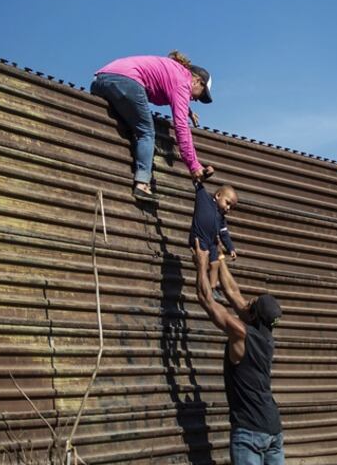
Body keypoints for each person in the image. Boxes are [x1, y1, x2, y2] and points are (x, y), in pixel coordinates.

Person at [191, 241, 326, 465]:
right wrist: (220, 259)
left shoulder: (240, 333)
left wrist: (200, 262)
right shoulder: (264, 333)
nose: (245, 301)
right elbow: (234, 294)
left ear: (252, 314)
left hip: (250, 428)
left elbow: (208, 300)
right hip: (272, 426)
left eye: (250, 304)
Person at [91, 51, 215, 203]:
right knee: (147, 132)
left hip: (101, 80)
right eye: (201, 95)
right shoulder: (183, 82)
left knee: (129, 122)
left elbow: (169, 90)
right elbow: (181, 127)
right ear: (196, 81)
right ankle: (142, 184)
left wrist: (187, 110)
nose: (196, 100)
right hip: (126, 81)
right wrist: (194, 165)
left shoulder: (175, 72)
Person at [190, 182, 238, 302]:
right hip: (199, 238)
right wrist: (201, 176)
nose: (228, 208)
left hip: (212, 242)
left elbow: (224, 234)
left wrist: (231, 248)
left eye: (231, 207)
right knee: (203, 262)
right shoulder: (204, 200)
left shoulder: (221, 219)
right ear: (218, 195)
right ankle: (204, 288)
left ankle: (213, 288)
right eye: (227, 203)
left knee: (215, 264)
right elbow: (198, 183)